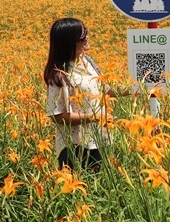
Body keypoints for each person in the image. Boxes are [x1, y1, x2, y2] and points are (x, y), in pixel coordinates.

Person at [44, 17, 129, 172]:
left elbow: (105, 90)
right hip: (75, 147)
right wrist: (95, 117)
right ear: (69, 42)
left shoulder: (88, 61)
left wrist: (135, 89)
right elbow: (57, 116)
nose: (87, 38)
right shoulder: (58, 75)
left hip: (99, 140)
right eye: (83, 36)